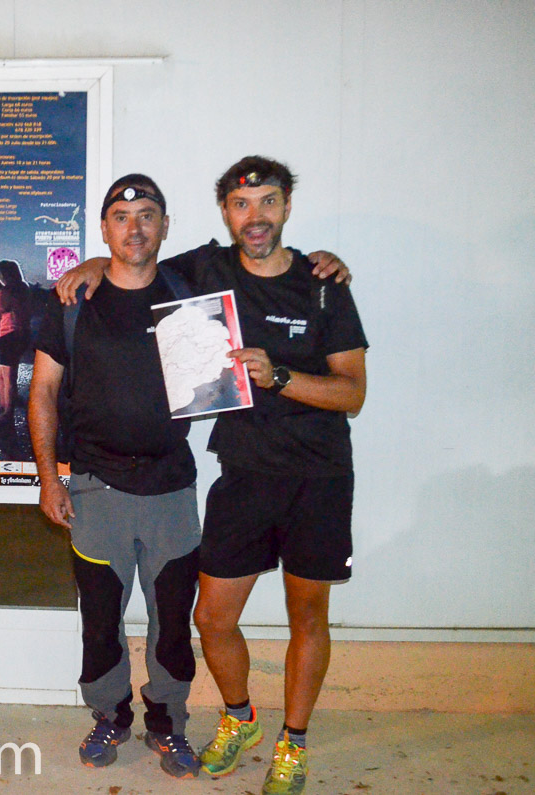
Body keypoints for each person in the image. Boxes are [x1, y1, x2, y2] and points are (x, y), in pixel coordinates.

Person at [187, 157, 367, 795]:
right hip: (242, 473)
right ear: (226, 212)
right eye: (242, 204)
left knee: (307, 617)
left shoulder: (322, 285)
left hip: (318, 478)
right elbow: (137, 265)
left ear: (287, 207)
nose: (255, 216)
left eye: (268, 202)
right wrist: (96, 265)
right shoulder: (207, 269)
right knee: (212, 618)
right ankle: (240, 718)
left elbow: (352, 394)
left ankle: (294, 741)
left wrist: (281, 376)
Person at [29, 174, 204, 780]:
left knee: (172, 622)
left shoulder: (189, 292)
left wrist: (323, 263)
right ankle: (109, 715)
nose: (135, 227)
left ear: (165, 226)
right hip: (94, 489)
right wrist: (49, 479)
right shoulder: (73, 302)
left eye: (147, 215)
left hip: (172, 490)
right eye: (122, 217)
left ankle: (168, 721)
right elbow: (43, 392)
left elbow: (261, 251)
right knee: (100, 621)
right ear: (104, 229)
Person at [0, 260, 32, 427]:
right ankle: (3, 407)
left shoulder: (6, 291)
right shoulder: (24, 289)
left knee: (8, 374)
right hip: (23, 333)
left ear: (4, 275)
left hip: (10, 333)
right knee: (1, 370)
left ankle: (8, 414)